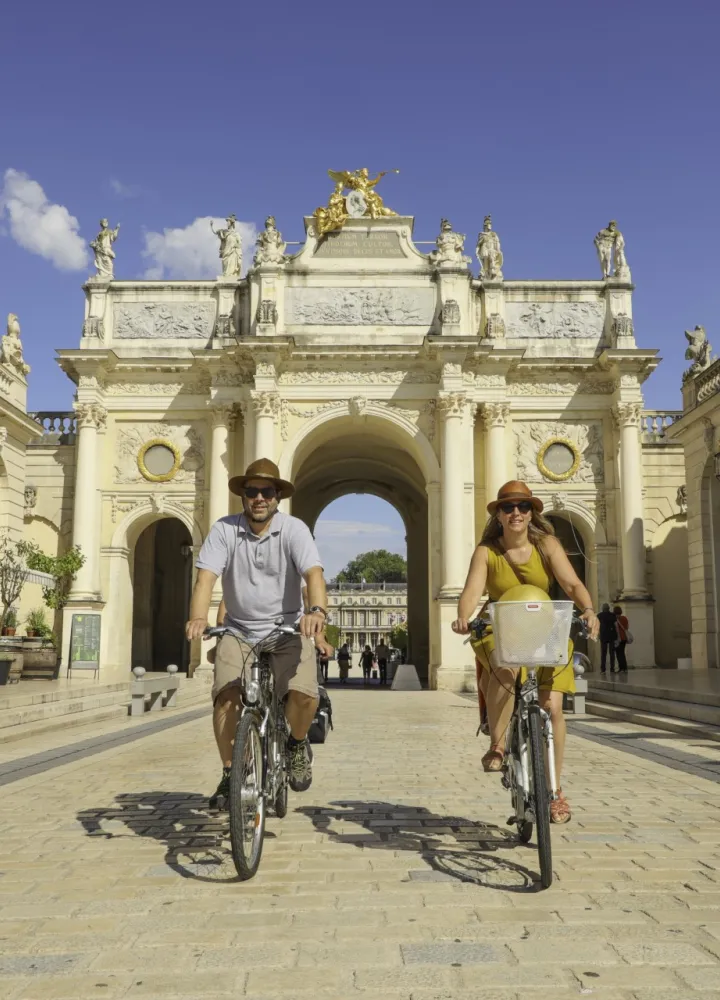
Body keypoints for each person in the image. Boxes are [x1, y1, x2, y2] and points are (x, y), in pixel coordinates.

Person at [452, 480, 599, 825]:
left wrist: (589, 609)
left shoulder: (546, 543)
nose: (516, 512)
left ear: (531, 513)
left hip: (544, 627)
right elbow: (472, 591)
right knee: (504, 668)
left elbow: (571, 583)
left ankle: (555, 790)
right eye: (508, 507)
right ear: (498, 515)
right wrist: (463, 616)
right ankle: (499, 745)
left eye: (522, 506)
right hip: (500, 627)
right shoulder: (486, 551)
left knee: (554, 707)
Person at [185, 458, 328, 810]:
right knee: (226, 696)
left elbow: (313, 575)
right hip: (240, 629)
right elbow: (206, 577)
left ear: (278, 496)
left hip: (286, 629)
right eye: (252, 491)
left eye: (266, 491)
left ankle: (295, 744)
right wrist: (199, 617)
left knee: (305, 693)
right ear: (243, 496)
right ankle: (231, 772)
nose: (259, 498)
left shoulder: (294, 530)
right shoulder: (224, 530)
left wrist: (317, 612)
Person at [597, 603, 618, 674]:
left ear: (602, 608)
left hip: (603, 636)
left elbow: (597, 626)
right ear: (609, 608)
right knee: (612, 653)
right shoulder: (612, 615)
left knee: (603, 653)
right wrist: (618, 635)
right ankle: (612, 669)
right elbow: (616, 626)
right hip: (612, 636)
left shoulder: (599, 616)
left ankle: (603, 669)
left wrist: (598, 634)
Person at [614, 605, 630, 674]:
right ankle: (625, 668)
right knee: (622, 653)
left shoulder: (615, 619)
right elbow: (627, 627)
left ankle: (621, 668)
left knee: (619, 654)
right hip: (624, 638)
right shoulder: (624, 618)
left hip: (618, 638)